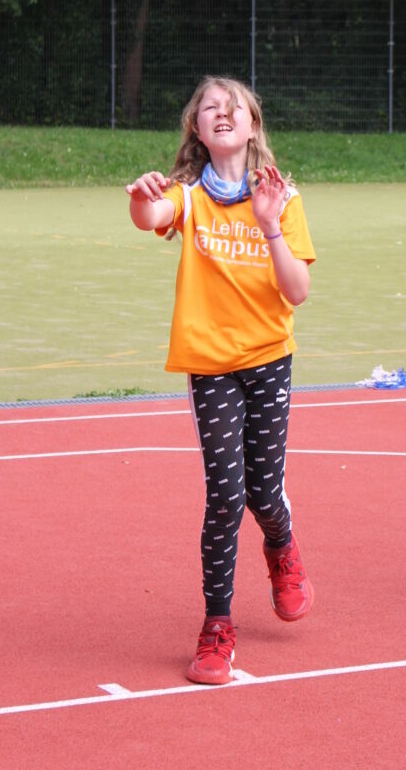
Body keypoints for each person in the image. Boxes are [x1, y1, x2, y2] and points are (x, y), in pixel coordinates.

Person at [126, 75, 316, 685]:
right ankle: (217, 626)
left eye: (235, 106)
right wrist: (141, 197)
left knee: (265, 493)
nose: (223, 111)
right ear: (197, 129)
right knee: (226, 496)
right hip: (211, 365)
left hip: (269, 359)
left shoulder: (282, 197)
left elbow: (297, 291)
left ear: (253, 125)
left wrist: (269, 223)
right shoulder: (187, 195)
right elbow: (151, 216)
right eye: (210, 106)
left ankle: (282, 548)